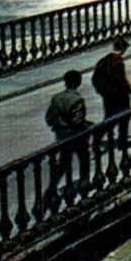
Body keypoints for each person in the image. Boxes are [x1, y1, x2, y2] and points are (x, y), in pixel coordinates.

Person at [44, 69, 92, 201]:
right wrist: (87, 126)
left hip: (61, 135)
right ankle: (84, 180)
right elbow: (77, 121)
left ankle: (52, 187)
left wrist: (58, 127)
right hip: (75, 136)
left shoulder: (56, 98)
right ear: (78, 82)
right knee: (84, 157)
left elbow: (49, 118)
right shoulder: (77, 99)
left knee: (63, 162)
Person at [91, 37, 131, 146]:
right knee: (124, 118)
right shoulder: (118, 61)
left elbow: (94, 79)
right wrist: (128, 89)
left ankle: (98, 135)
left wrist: (102, 91)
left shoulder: (103, 61)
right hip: (119, 95)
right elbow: (120, 79)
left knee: (109, 118)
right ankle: (122, 141)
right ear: (123, 49)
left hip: (107, 96)